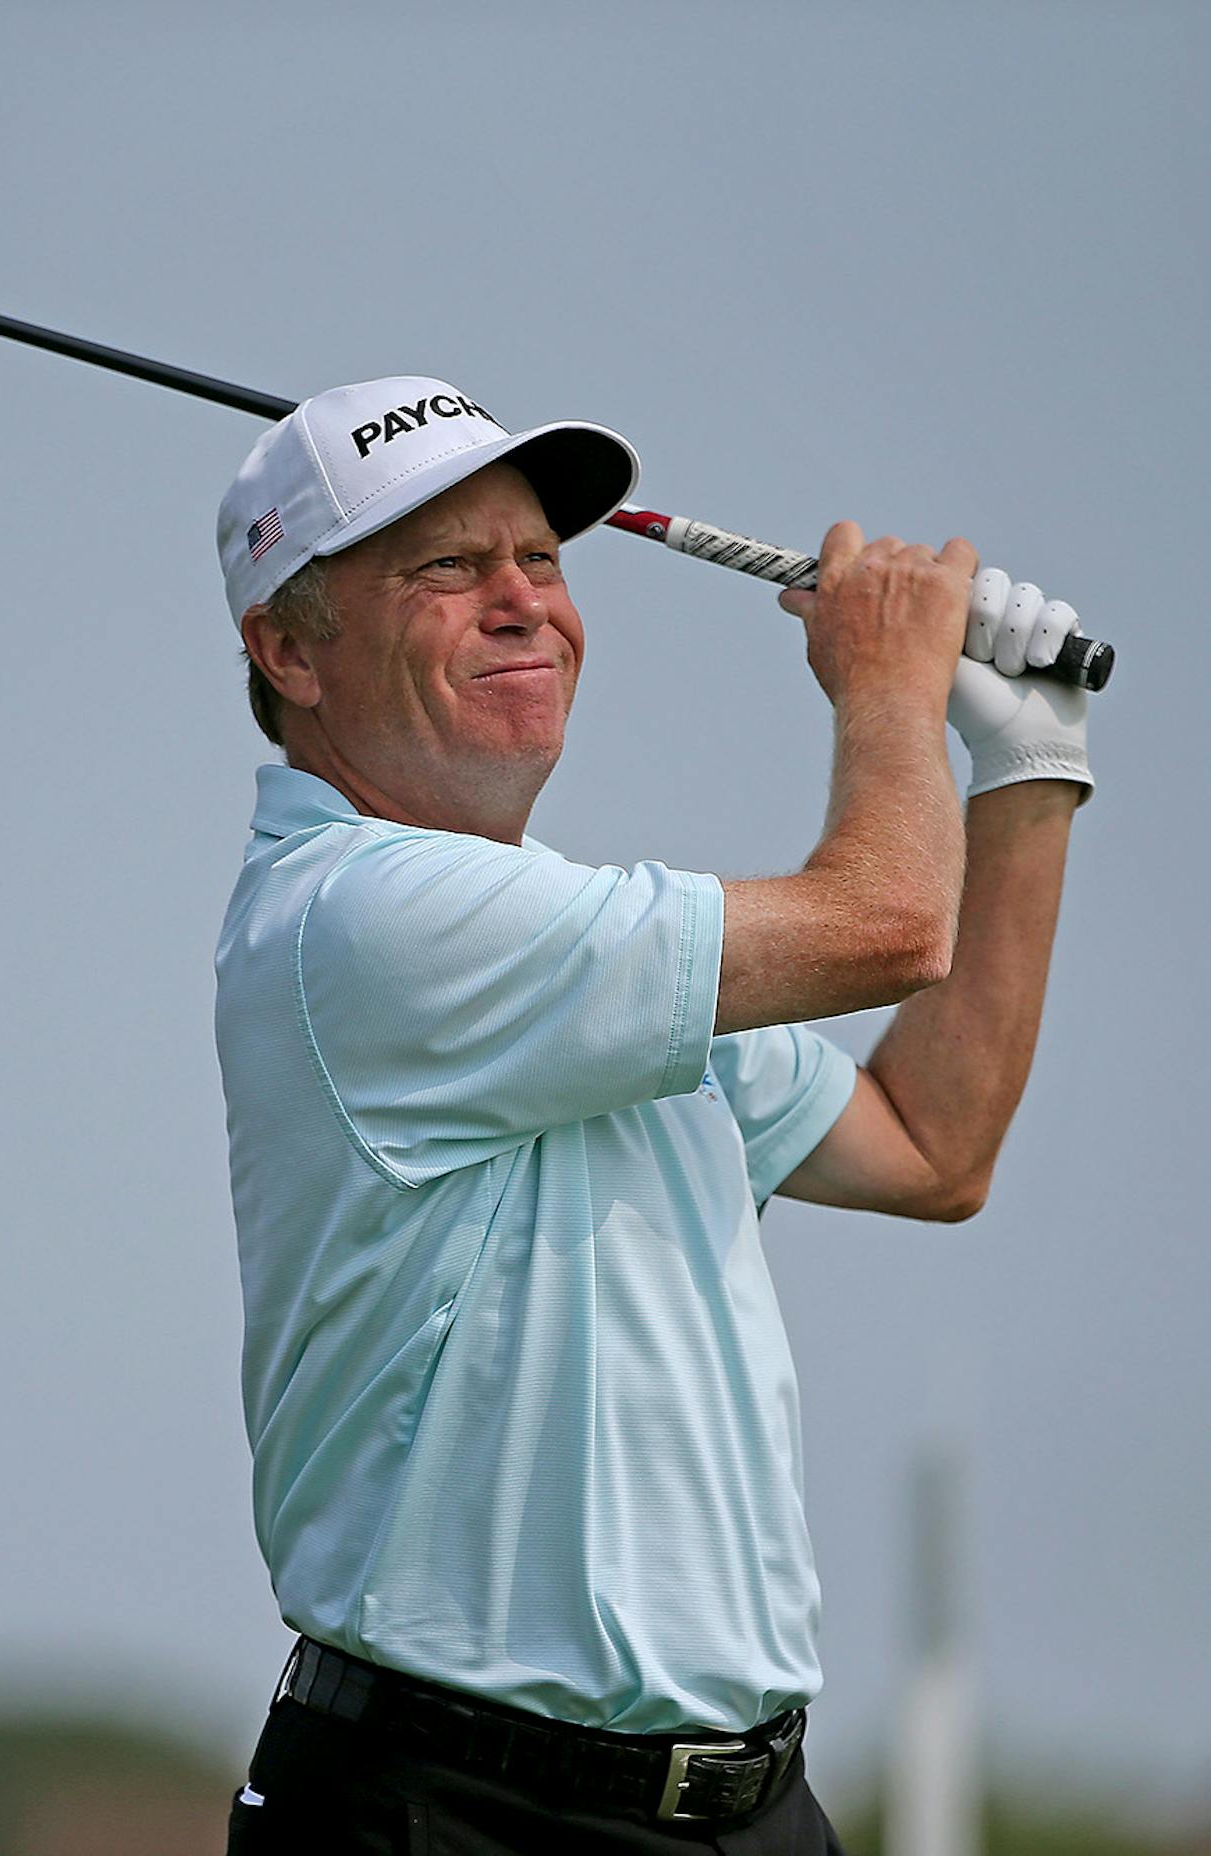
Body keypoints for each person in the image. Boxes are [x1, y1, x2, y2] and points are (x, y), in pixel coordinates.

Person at [210, 377, 1090, 1854]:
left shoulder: (587, 951)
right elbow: (884, 923)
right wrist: (888, 683)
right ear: (289, 649)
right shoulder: (359, 915)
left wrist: (1027, 773)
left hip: (749, 1811)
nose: (521, 604)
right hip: (455, 1814)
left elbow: (934, 1148)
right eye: (444, 567)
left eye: (541, 560)